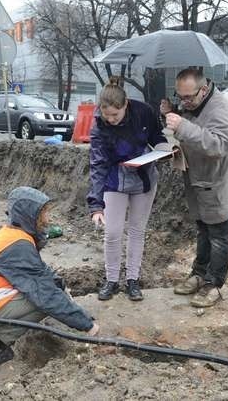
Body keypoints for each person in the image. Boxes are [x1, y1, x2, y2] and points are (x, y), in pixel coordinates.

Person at [0, 186, 99, 365]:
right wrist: (88, 325)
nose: (47, 219)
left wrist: (60, 285)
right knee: (41, 301)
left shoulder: (13, 236)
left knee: (47, 291)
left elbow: (39, 270)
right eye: (43, 214)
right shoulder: (18, 246)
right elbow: (45, 296)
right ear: (29, 215)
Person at [162, 68, 228, 308]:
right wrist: (171, 114)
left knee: (219, 237)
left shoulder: (221, 110)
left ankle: (214, 285)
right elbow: (190, 126)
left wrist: (182, 126)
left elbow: (219, 145)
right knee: (203, 231)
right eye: (180, 97)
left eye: (188, 97)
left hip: (218, 184)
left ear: (204, 89)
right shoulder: (194, 104)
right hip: (200, 182)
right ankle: (199, 274)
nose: (184, 102)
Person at [87, 77, 170, 302]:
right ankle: (111, 281)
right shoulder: (99, 127)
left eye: (116, 114)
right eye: (107, 115)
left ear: (126, 106)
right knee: (112, 232)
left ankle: (133, 280)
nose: (111, 119)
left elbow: (157, 136)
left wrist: (164, 150)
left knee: (136, 231)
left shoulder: (143, 112)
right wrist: (95, 204)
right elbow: (97, 165)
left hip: (144, 178)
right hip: (115, 180)